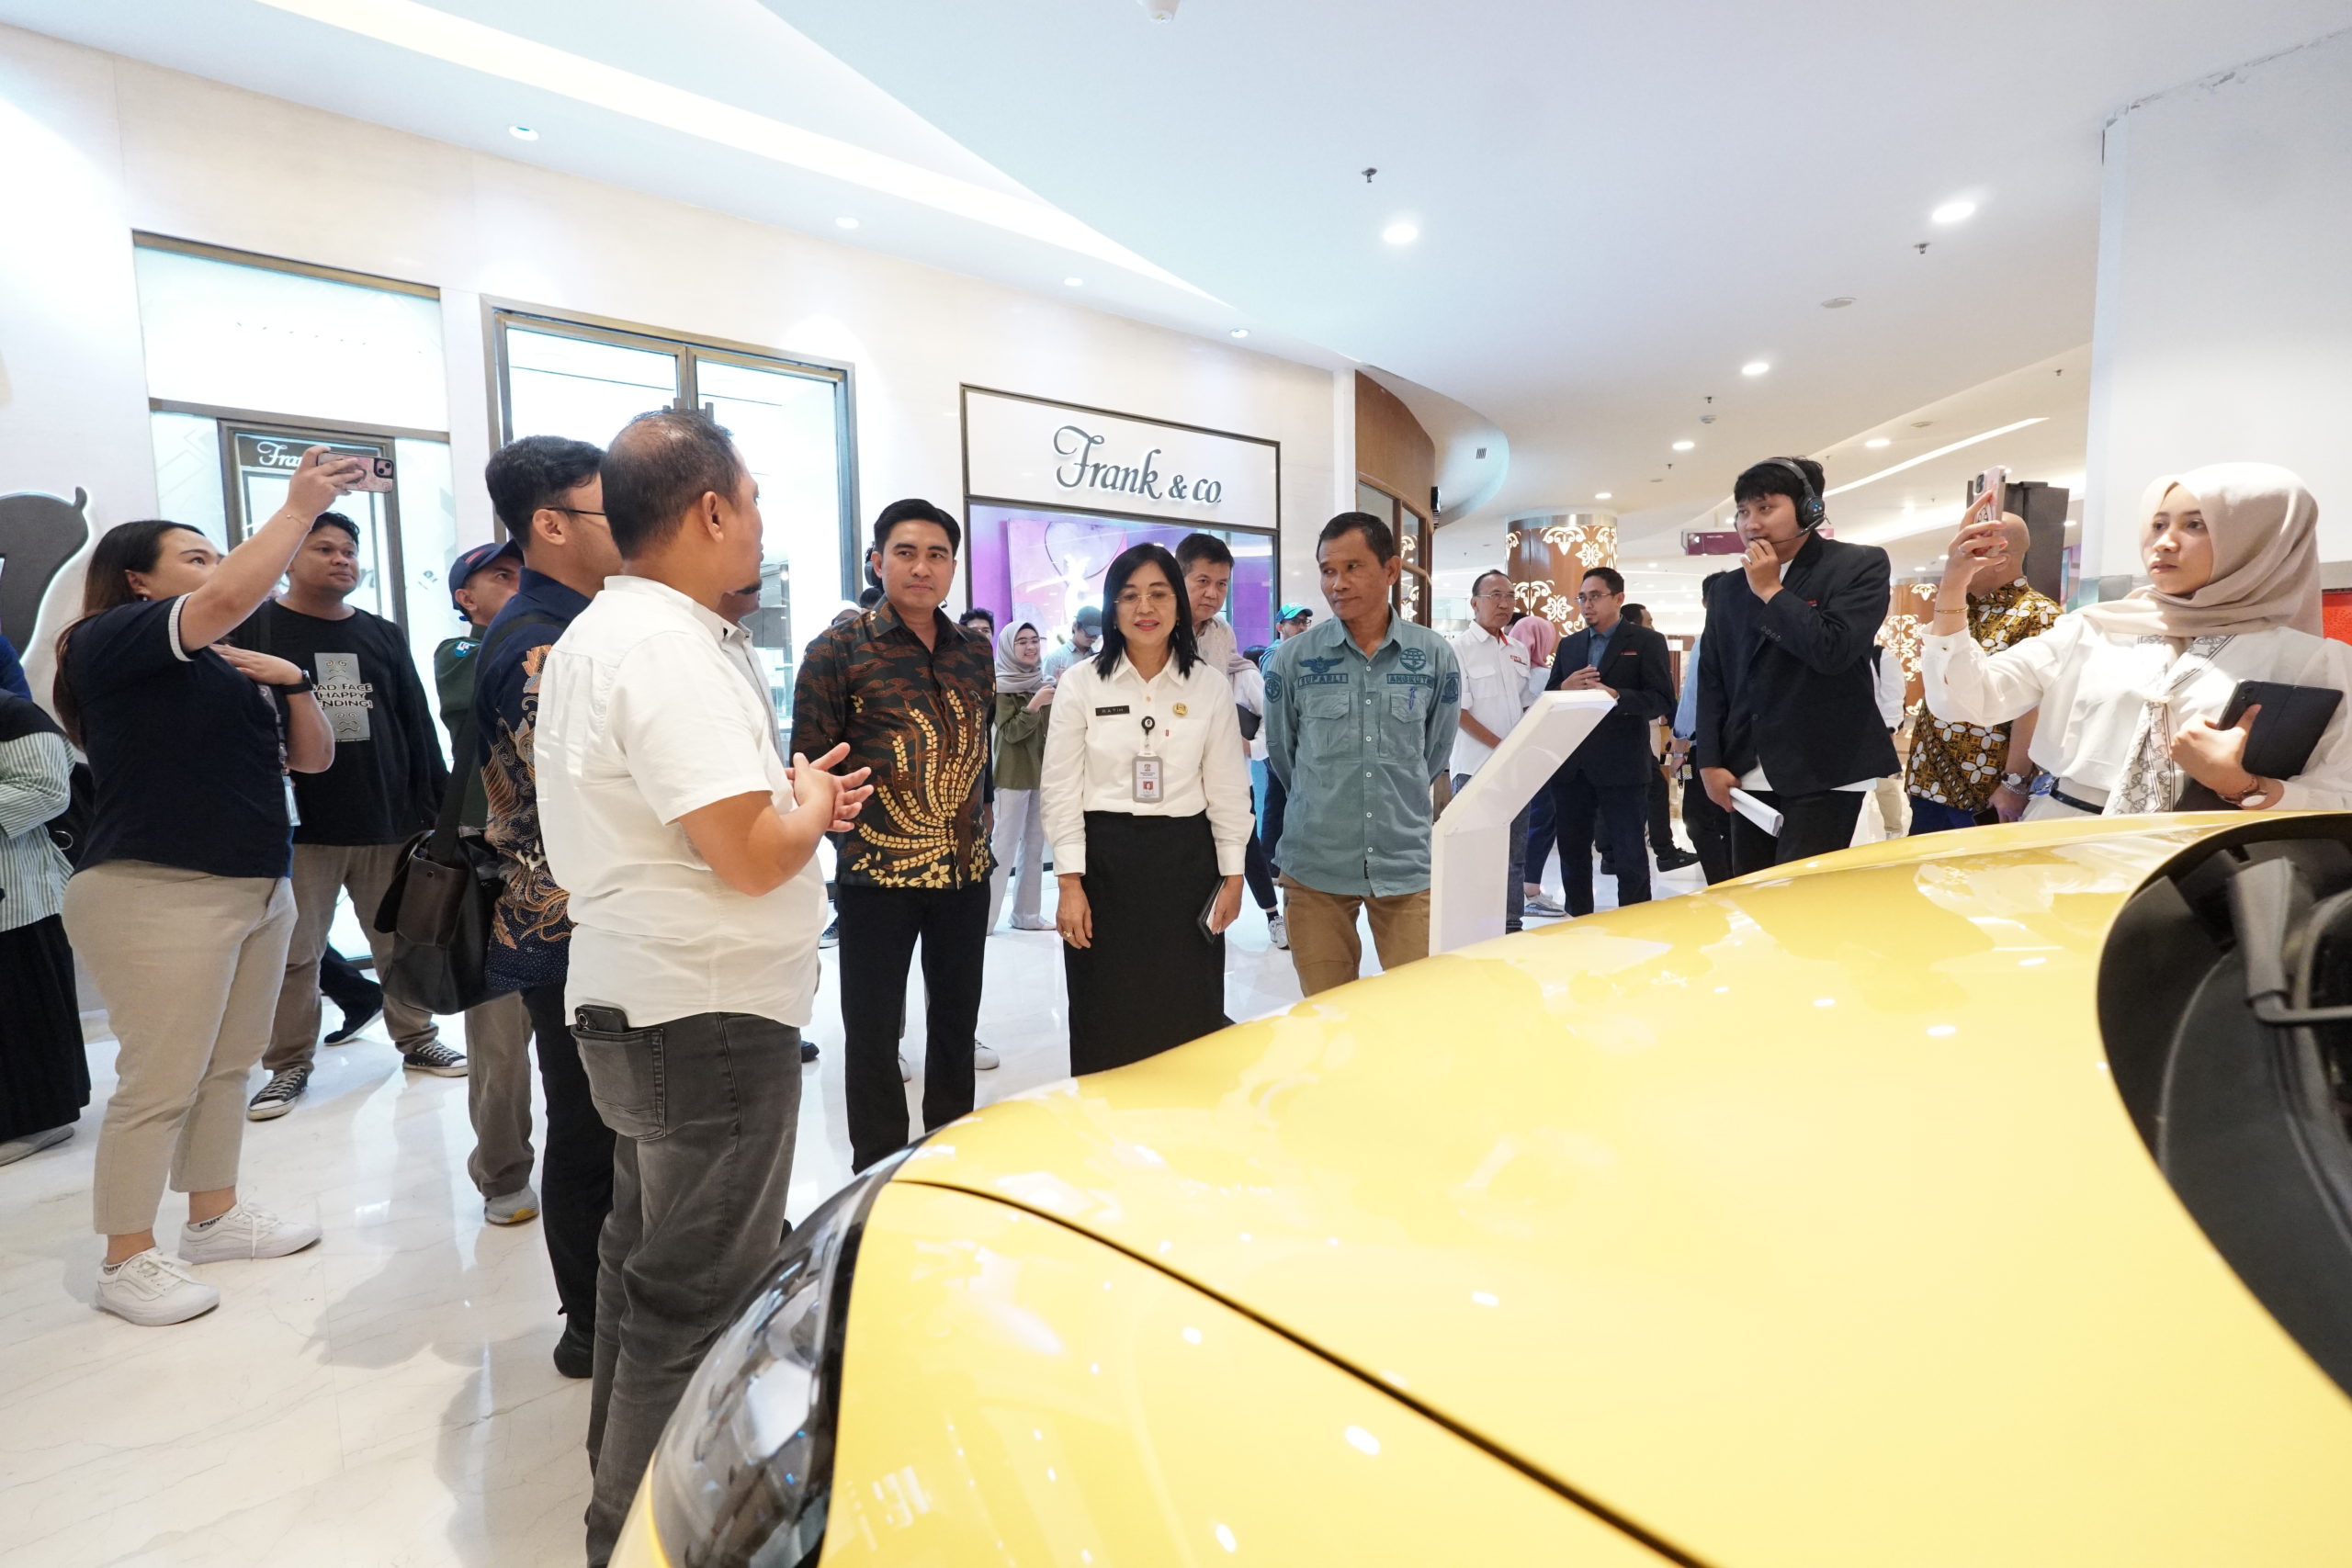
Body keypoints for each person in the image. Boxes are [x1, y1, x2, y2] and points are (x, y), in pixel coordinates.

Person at [536, 410, 870, 1565]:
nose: (762, 527)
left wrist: (790, 803)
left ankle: (612, 1504)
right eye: (756, 503)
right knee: (693, 1300)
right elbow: (747, 859)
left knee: (642, 1268)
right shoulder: (664, 649)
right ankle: (632, 1537)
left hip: (647, 997)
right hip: (705, 1013)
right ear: (711, 509)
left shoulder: (615, 633)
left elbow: (706, 822)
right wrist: (806, 812)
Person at [55, 451, 358, 1325]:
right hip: (156, 887)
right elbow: (227, 598)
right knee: (160, 1080)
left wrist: (294, 682)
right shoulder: (106, 639)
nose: (218, 567)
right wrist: (299, 508)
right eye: (195, 556)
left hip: (257, 885)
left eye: (217, 554)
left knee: (229, 1065)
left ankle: (214, 1214)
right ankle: (125, 1257)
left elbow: (311, 760)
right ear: (137, 581)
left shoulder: (225, 665)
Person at [1923, 464, 2352, 816]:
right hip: (2062, 840)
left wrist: (2243, 786)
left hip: (2203, 861)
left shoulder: (2312, 661)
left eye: (2196, 525)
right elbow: (1970, 700)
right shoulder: (2094, 628)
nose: (2164, 542)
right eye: (2158, 524)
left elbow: (2340, 793)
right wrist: (1954, 586)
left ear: (2259, 540)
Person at [237, 511, 463, 1121]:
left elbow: (415, 720)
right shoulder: (255, 627)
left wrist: (436, 807)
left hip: (388, 820)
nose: (341, 559)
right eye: (324, 549)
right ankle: (288, 1065)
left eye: (348, 550)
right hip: (301, 827)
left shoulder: (381, 633)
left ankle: (418, 1039)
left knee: (400, 943)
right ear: (289, 558)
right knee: (295, 954)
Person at [792, 499, 994, 1173]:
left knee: (956, 1021)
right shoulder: (837, 651)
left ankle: (949, 1157)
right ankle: (877, 1169)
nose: (921, 567)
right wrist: (846, 841)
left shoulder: (974, 652)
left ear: (953, 567)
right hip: (878, 874)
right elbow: (809, 768)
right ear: (878, 562)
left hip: (965, 871)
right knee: (874, 1030)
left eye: (937, 555)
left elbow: (981, 751)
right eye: (906, 552)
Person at [475, 434, 619, 1379]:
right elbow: (579, 792)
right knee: (589, 1124)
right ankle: (590, 1324)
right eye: (612, 509)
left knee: (602, 1121)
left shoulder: (576, 623)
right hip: (565, 925)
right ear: (551, 525)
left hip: (580, 917)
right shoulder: (542, 641)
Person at [1043, 543, 1251, 1068]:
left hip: (1187, 863)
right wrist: (1069, 883)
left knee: (1188, 1008)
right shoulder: (1081, 683)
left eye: (1159, 593)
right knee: (1104, 1009)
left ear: (1178, 604)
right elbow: (1061, 788)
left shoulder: (1207, 685)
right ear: (1112, 608)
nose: (1145, 608)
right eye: (1130, 595)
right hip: (1104, 864)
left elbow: (1228, 785)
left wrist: (1233, 875)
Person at [1262, 512, 1461, 995]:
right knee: (1327, 1009)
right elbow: (1283, 753)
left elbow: (1436, 750)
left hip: (1404, 861)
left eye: (1352, 567)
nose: (1338, 584)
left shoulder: (1433, 655)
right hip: (1316, 864)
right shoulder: (1293, 659)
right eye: (1328, 570)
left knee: (1418, 1004)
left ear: (1390, 570)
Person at [418, 538, 545, 1225]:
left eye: (524, 573)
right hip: (490, 869)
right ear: (465, 598)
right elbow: (500, 694)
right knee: (500, 1041)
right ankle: (502, 1174)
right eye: (501, 576)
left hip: (560, 863)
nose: (519, 583)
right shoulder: (460, 652)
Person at [1696, 457, 1896, 873]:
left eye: (1765, 508)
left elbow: (1833, 650)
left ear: (1810, 509)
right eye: (1743, 511)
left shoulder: (1859, 565)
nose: (1751, 523)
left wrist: (1772, 591)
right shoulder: (1728, 589)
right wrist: (1709, 761)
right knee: (1751, 893)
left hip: (1824, 766)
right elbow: (1713, 678)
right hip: (1745, 769)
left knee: (1800, 896)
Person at [1905, 510, 2060, 833]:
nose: (1955, 559)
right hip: (1929, 777)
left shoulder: (2039, 614)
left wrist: (2014, 782)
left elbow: (2035, 709)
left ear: (1999, 559)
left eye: (1968, 550)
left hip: (1984, 789)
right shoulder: (1961, 608)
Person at [1544, 568, 1677, 917]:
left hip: (1623, 766)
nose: (1586, 605)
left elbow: (1661, 699)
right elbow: (1549, 697)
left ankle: (1634, 924)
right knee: (1573, 853)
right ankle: (1577, 923)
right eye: (1582, 598)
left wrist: (1617, 695)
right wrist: (1564, 688)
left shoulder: (1646, 642)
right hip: (1572, 768)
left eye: (1595, 597)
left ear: (1618, 598)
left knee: (1630, 854)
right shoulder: (1570, 645)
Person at [1176, 532, 1283, 942]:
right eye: (1202, 581)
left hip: (1220, 768)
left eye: (1221, 584)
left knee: (1239, 841)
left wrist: (1245, 746)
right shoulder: (1156, 629)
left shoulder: (1222, 633)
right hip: (1171, 771)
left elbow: (1228, 687)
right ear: (1180, 577)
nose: (1213, 593)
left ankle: (1260, 918)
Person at [0, 689, 87, 1166]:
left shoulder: (11, 714)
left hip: (16, 896)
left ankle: (37, 1120)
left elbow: (47, 789)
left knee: (20, 1012)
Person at [1448, 570, 1534, 931]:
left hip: (1514, 771)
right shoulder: (1457, 649)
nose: (1504, 603)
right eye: (1495, 595)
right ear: (1474, 603)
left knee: (1514, 856)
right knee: (1477, 855)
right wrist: (1503, 748)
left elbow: (1526, 704)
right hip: (1475, 768)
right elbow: (1458, 713)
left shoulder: (1517, 650)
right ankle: (1474, 927)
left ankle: (1511, 926)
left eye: (1510, 596)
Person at [1614, 604, 1701, 874]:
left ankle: (1656, 845)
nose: (1652, 627)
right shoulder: (1636, 655)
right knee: (1663, 784)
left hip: (1668, 738)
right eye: (1649, 621)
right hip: (1661, 737)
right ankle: (1662, 846)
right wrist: (1678, 739)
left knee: (1669, 782)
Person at [987, 623, 1055, 932]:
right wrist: (1035, 705)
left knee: (1035, 847)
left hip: (1042, 775)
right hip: (1012, 776)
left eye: (1034, 640)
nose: (1030, 647)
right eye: (1022, 642)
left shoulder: (1045, 682)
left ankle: (1027, 915)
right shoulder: (1000, 686)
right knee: (1003, 847)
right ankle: (984, 919)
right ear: (1008, 648)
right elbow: (1011, 733)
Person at [1668, 607, 1734, 884]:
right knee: (1722, 817)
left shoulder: (1707, 641)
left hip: (1699, 747)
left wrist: (1677, 749)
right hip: (1718, 745)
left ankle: (1722, 882)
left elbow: (1692, 699)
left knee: (1698, 819)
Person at [1042, 604, 1102, 680]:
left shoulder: (1097, 658)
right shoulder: (1054, 659)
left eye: (1097, 634)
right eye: (1090, 633)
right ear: (1075, 626)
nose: (1094, 638)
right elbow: (1045, 686)